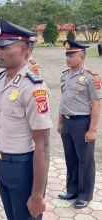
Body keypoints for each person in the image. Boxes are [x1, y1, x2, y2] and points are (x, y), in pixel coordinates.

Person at [0, 19, 52, 220]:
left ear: (27, 50)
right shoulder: (1, 80)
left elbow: (43, 145)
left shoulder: (34, 88)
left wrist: (37, 195)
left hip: (23, 168)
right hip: (2, 163)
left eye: (5, 47)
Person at [57, 40, 102, 208]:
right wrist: (60, 122)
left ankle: (85, 194)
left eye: (72, 55)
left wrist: (92, 129)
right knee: (71, 158)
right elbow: (63, 100)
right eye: (67, 55)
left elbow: (96, 105)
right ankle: (73, 189)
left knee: (85, 161)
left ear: (82, 57)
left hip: (82, 122)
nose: (68, 59)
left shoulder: (91, 77)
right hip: (67, 123)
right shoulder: (65, 75)